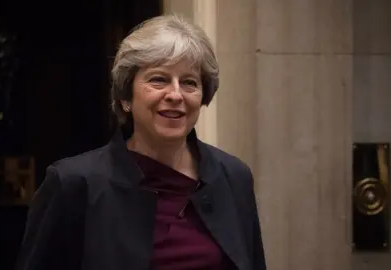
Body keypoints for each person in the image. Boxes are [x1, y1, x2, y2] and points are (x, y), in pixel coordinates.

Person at [15, 14, 266, 270]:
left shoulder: (233, 177)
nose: (175, 94)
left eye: (189, 82)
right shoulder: (73, 184)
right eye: (159, 79)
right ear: (126, 97)